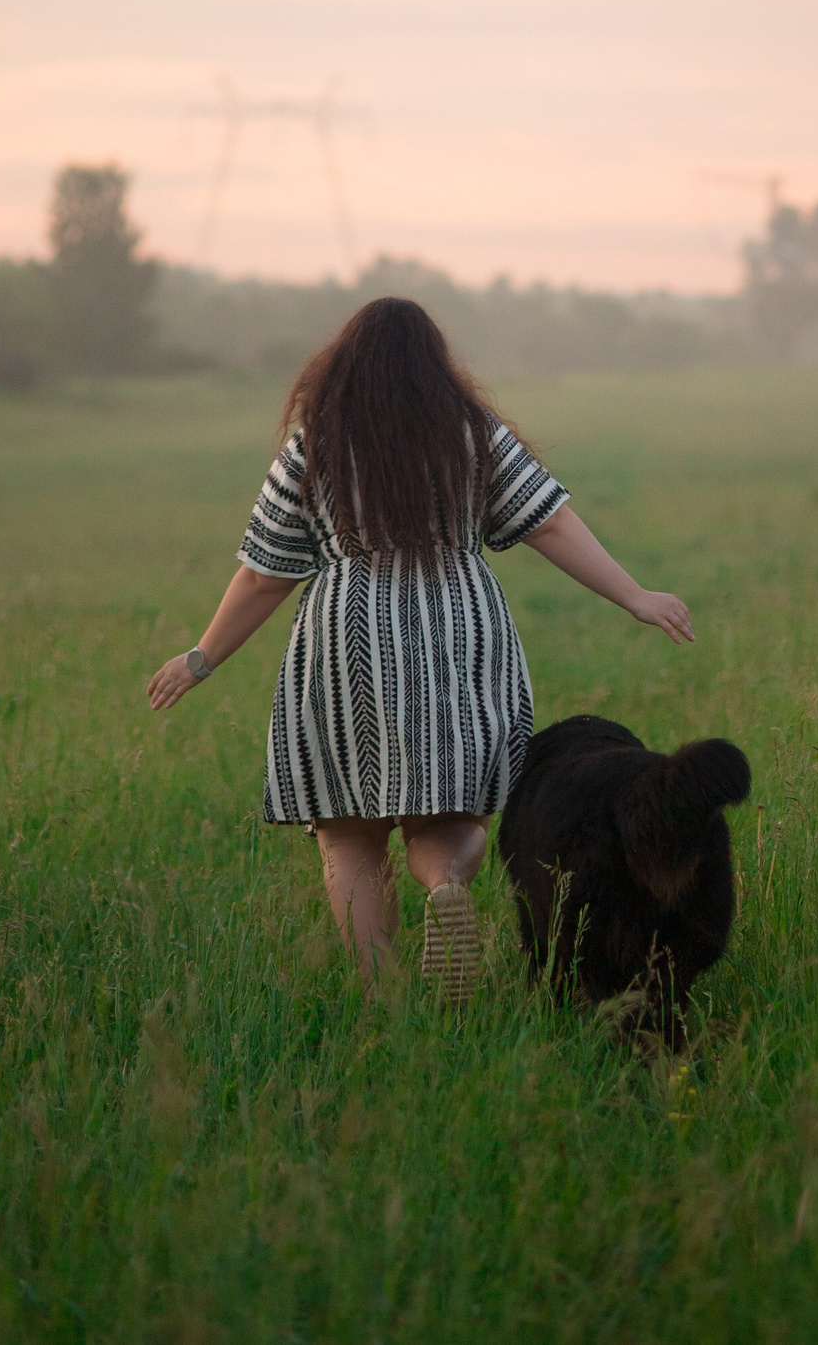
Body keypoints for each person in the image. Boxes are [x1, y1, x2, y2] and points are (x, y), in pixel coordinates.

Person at [145, 297, 693, 1003]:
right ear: (437, 367)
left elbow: (262, 574)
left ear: (341, 367)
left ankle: (388, 1001)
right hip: (458, 631)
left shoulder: (314, 446)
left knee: (348, 835)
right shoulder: (472, 436)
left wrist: (200, 658)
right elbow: (550, 524)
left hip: (346, 641)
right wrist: (636, 595)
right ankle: (444, 883)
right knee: (450, 814)